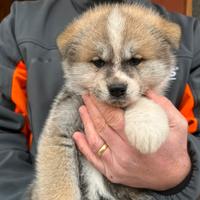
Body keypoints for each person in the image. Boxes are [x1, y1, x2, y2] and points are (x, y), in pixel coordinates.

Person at [0, 0, 199, 199]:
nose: (117, 80)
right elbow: (52, 142)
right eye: (98, 62)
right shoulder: (20, 25)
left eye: (135, 60)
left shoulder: (192, 36)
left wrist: (181, 175)